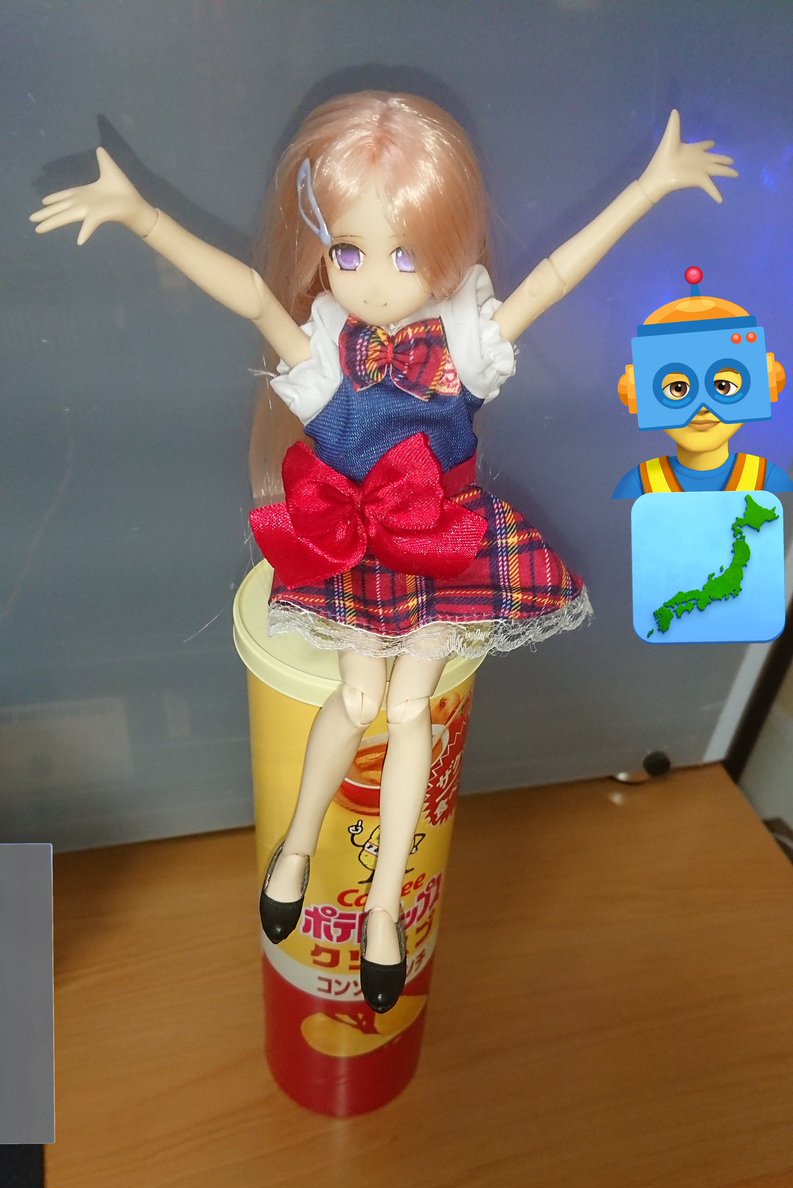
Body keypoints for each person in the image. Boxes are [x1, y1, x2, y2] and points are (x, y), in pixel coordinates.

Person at [30, 92, 736, 1010]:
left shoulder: (465, 341)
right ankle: (295, 850)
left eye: (404, 255)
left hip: (443, 540)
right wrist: (143, 217)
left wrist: (648, 187)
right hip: (353, 541)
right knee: (359, 699)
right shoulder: (326, 347)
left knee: (408, 713)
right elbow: (250, 293)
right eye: (348, 252)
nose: (369, 282)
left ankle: (383, 910)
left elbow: (554, 276)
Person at [613, 267, 790, 497]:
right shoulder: (640, 484)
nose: (703, 408)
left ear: (766, 382)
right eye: (678, 389)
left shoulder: (768, 479)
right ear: (636, 392)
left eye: (723, 387)